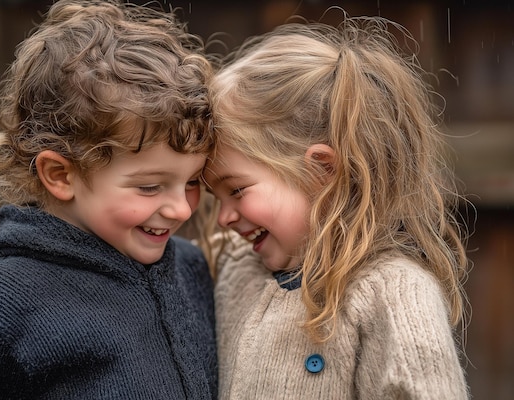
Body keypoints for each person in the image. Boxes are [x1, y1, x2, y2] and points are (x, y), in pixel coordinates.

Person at [0, 1, 217, 398]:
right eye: (149, 186)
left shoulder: (191, 268)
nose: (181, 208)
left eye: (193, 181)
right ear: (61, 175)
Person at [201, 16, 470, 399]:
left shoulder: (393, 293)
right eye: (217, 198)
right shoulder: (233, 271)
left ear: (322, 170)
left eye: (237, 190)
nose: (224, 217)